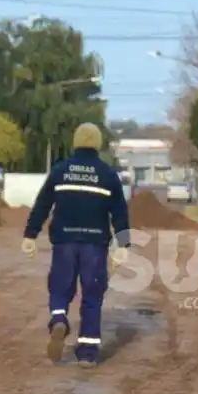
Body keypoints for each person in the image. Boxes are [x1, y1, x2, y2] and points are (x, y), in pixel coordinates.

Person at [22, 122, 131, 369]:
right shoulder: (107, 175)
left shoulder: (60, 171)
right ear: (98, 144)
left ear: (75, 142)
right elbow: (120, 212)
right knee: (92, 295)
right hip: (95, 244)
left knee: (60, 287)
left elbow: (42, 205)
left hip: (65, 242)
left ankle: (59, 318)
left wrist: (30, 235)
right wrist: (123, 244)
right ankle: (87, 353)